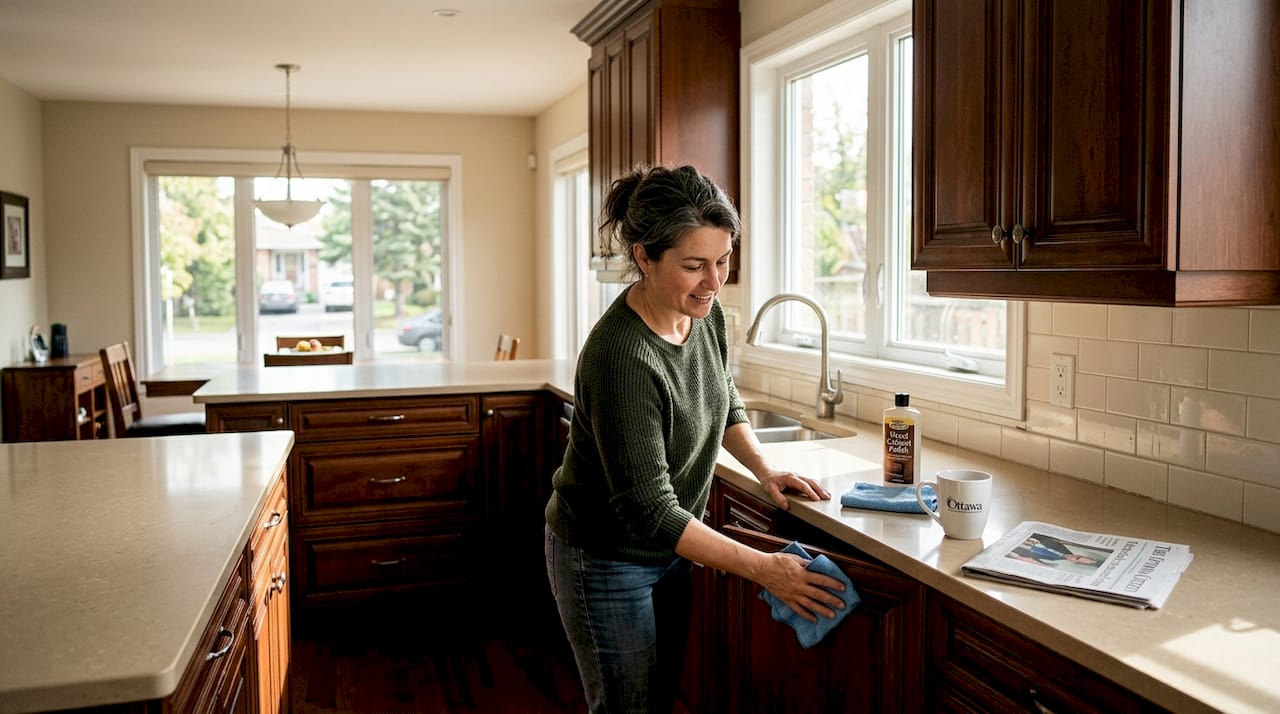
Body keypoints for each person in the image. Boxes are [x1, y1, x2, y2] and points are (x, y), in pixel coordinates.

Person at [544, 164, 847, 713]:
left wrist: (763, 467)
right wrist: (764, 569)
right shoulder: (621, 356)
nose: (714, 281)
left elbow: (722, 393)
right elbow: (649, 510)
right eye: (694, 266)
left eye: (723, 260)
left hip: (671, 550)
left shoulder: (703, 314)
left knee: (658, 700)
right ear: (644, 257)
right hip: (605, 559)